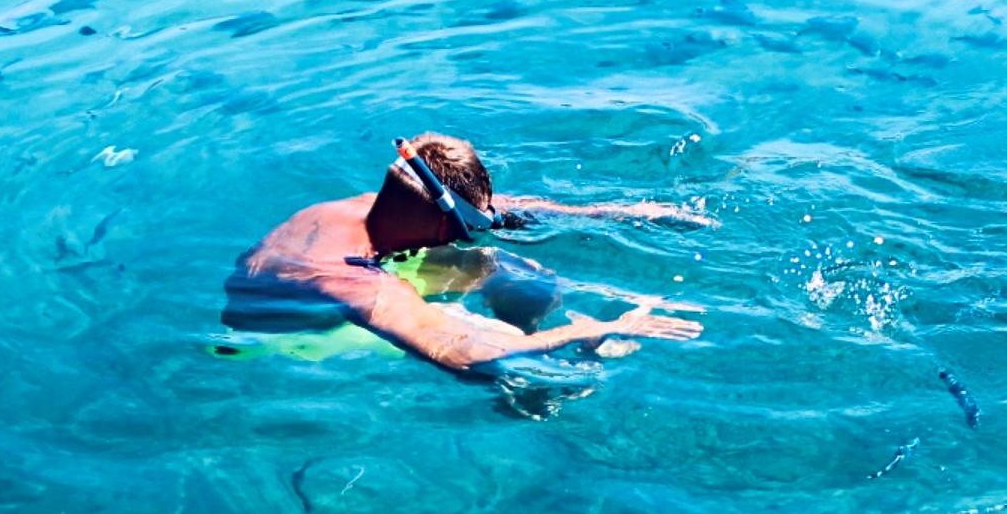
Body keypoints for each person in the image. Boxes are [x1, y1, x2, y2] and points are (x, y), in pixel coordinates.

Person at [221, 134, 705, 374]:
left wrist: (626, 213)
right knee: (484, 350)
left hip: (367, 269)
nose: (482, 229)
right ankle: (542, 383)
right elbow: (459, 353)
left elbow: (500, 211)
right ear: (440, 221)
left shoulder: (381, 210)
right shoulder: (347, 276)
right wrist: (595, 327)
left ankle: (542, 337)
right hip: (293, 334)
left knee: (510, 266)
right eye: (470, 226)